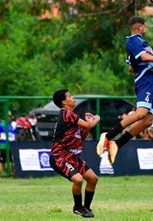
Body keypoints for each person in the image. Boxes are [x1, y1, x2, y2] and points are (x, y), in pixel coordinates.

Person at [96, 16, 153, 163]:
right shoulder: (133, 40)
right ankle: (108, 135)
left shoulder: (140, 42)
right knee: (141, 112)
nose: (146, 28)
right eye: (145, 26)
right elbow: (143, 58)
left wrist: (137, 63)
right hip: (146, 79)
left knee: (148, 120)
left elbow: (131, 67)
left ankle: (117, 144)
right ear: (139, 27)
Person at [50, 89, 101, 218]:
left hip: (71, 156)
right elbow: (90, 125)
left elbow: (82, 137)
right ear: (64, 102)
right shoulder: (66, 113)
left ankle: (86, 208)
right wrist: (95, 119)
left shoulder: (71, 116)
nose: (73, 98)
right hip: (59, 156)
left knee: (93, 179)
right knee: (78, 179)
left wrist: (86, 125)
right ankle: (78, 207)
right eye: (70, 96)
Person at [0, 111, 17, 175]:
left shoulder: (14, 124)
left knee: (13, 159)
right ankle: (4, 171)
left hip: (12, 144)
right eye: (8, 117)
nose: (9, 118)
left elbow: (16, 133)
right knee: (3, 159)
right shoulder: (1, 124)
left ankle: (12, 171)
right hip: (4, 144)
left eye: (10, 116)